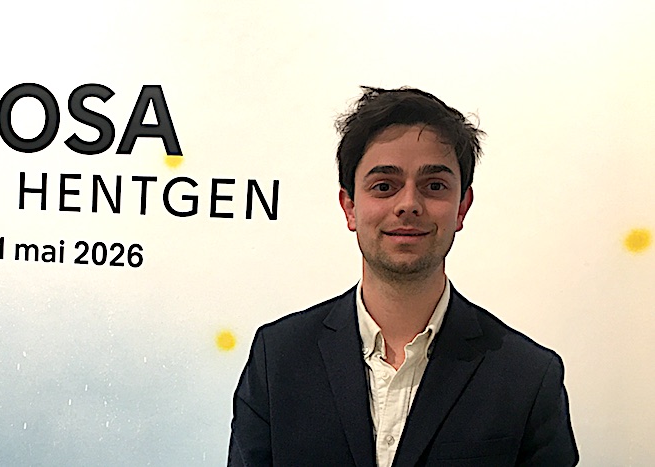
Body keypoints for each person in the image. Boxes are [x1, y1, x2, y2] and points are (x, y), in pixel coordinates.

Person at [228, 87, 578, 466]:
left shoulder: (527, 377)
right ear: (349, 206)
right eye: (384, 186)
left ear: (462, 207)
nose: (408, 204)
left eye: (434, 186)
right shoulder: (279, 359)